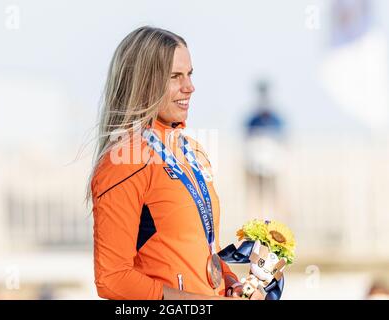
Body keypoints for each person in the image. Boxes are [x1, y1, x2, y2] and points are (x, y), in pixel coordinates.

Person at [88, 26, 264, 300]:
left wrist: (232, 285)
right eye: (175, 76)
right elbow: (112, 279)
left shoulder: (191, 150)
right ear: (143, 82)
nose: (190, 87)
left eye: (190, 74)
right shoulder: (124, 160)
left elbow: (201, 251)